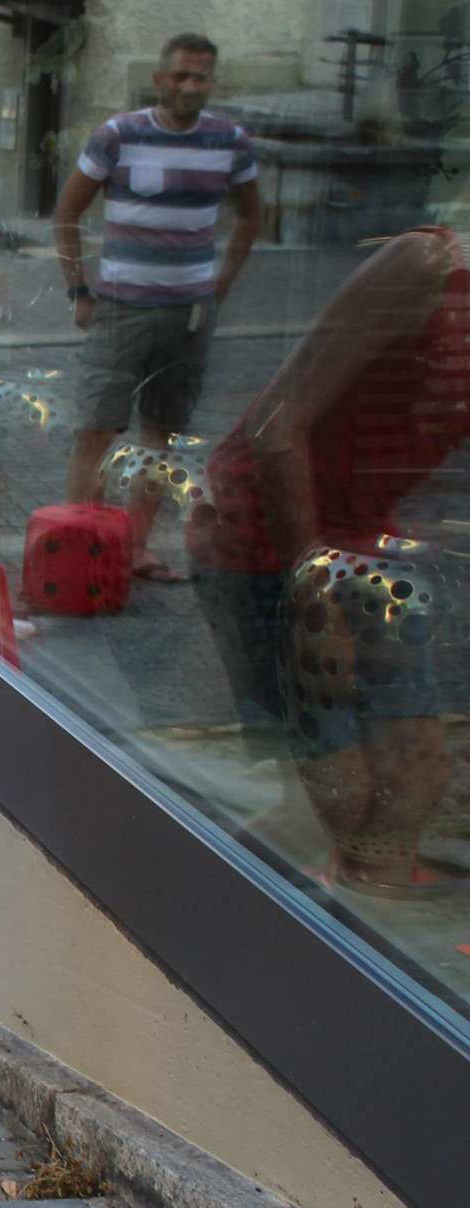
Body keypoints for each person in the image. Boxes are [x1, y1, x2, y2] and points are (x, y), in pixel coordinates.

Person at [187, 224, 470, 896]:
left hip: (364, 552)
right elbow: (276, 425)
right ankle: (190, 915)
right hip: (267, 539)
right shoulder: (429, 266)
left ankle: (359, 909)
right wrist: (312, 594)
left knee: (412, 778)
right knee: (331, 800)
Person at [54, 32, 260, 586]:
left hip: (188, 314)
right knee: (95, 429)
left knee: (162, 435)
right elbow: (66, 212)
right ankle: (82, 550)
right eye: (180, 75)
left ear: (212, 82)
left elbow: (251, 217)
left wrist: (219, 287)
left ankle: (135, 548)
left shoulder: (231, 143)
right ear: (159, 79)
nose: (190, 86)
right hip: (121, 308)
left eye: (200, 77)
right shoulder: (118, 135)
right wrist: (78, 290)